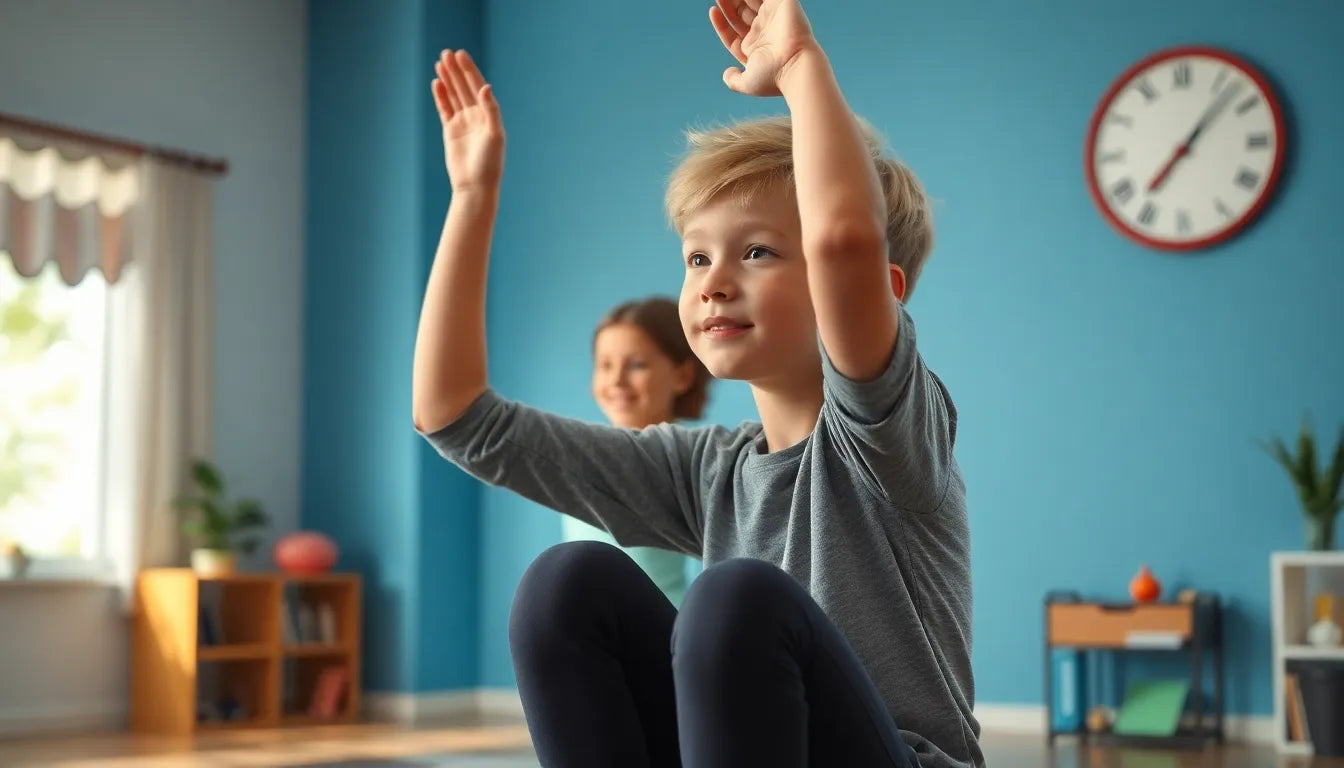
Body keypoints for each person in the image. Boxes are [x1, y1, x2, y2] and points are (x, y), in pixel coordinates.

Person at [411, 1, 980, 766]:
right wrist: (471, 200)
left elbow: (845, 241)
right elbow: (457, 420)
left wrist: (801, 69)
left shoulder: (889, 436)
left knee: (732, 597)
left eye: (758, 253)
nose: (713, 283)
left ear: (883, 290)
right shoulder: (705, 472)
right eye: (697, 258)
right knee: (565, 583)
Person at [566, 297, 710, 607]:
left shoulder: (692, 461)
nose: (616, 380)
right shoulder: (580, 456)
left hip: (661, 643)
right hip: (583, 640)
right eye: (605, 365)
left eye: (636, 365)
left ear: (682, 376)